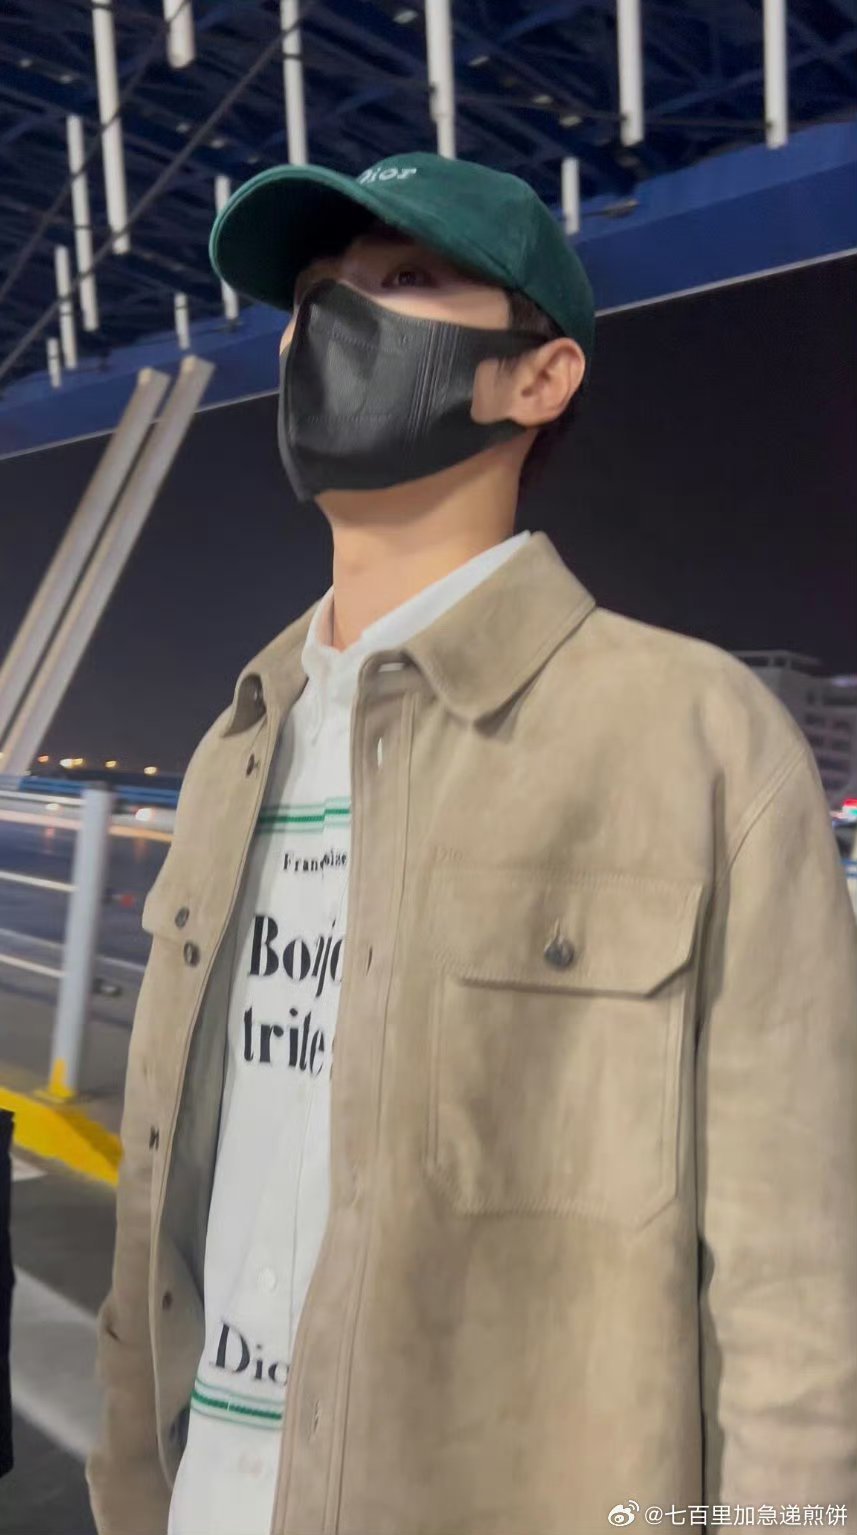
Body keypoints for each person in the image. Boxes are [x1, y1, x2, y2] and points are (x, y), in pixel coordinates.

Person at [86, 152, 857, 1535]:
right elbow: (167, 1193)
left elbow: (797, 1285)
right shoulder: (234, 748)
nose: (327, 322)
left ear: (538, 378)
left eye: (401, 279)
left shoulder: (693, 738)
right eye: (312, 293)